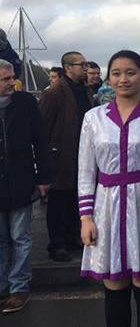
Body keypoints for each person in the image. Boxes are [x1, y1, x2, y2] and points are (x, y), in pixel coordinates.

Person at [78, 50, 140, 327]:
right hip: (106, 205)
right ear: (109, 78)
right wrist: (86, 217)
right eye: (117, 73)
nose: (124, 79)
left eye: (131, 72)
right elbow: (86, 170)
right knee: (114, 283)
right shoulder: (93, 118)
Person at [0, 60, 50, 313]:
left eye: (12, 77)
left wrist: (43, 177)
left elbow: (40, 140)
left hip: (20, 181)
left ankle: (19, 287)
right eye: (6, 79)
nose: (12, 82)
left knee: (21, 238)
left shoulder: (26, 103)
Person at [39, 51, 94, 262]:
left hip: (81, 155)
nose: (86, 68)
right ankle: (57, 244)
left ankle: (73, 238)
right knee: (58, 203)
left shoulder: (84, 90)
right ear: (68, 68)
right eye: (81, 65)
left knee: (75, 199)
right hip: (61, 157)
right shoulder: (54, 93)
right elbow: (43, 126)